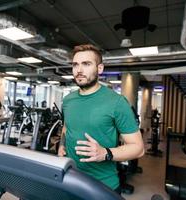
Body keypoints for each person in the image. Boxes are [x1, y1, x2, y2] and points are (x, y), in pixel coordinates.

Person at [58, 44, 144, 194]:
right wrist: (61, 145)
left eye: (86, 64)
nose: (79, 70)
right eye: (75, 65)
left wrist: (105, 153)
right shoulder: (68, 100)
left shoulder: (117, 102)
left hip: (103, 185)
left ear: (100, 69)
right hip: (71, 180)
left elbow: (138, 148)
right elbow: (66, 127)